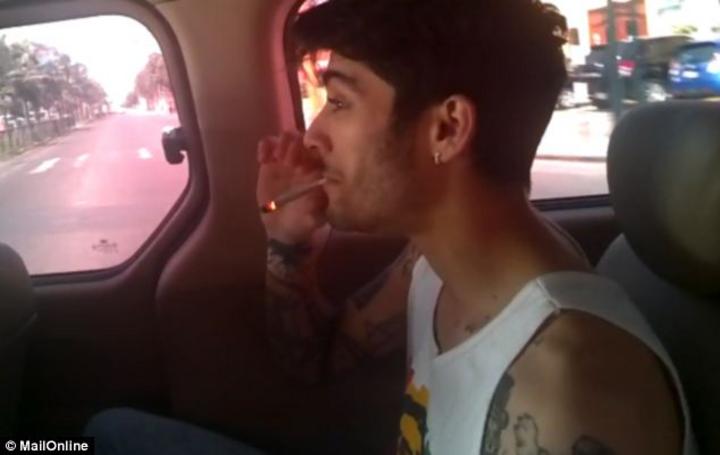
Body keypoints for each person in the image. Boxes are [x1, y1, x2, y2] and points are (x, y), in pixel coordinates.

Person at [86, 0, 696, 454]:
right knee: (108, 432)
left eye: (339, 102)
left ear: (447, 129)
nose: (312, 135)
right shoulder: (430, 263)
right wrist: (288, 243)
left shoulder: (568, 394)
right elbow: (316, 362)